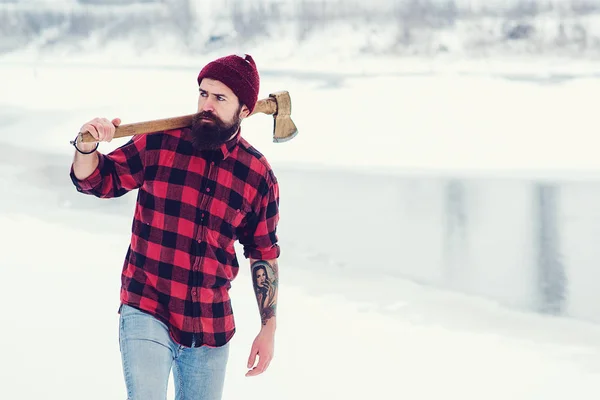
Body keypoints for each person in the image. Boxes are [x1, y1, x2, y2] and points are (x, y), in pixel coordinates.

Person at [69, 53, 280, 400]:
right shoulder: (161, 143)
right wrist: (85, 145)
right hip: (147, 305)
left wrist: (267, 329)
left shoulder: (257, 175)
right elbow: (96, 178)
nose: (206, 105)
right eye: (202, 93)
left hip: (210, 324)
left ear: (244, 111)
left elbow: (263, 253)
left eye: (219, 97)